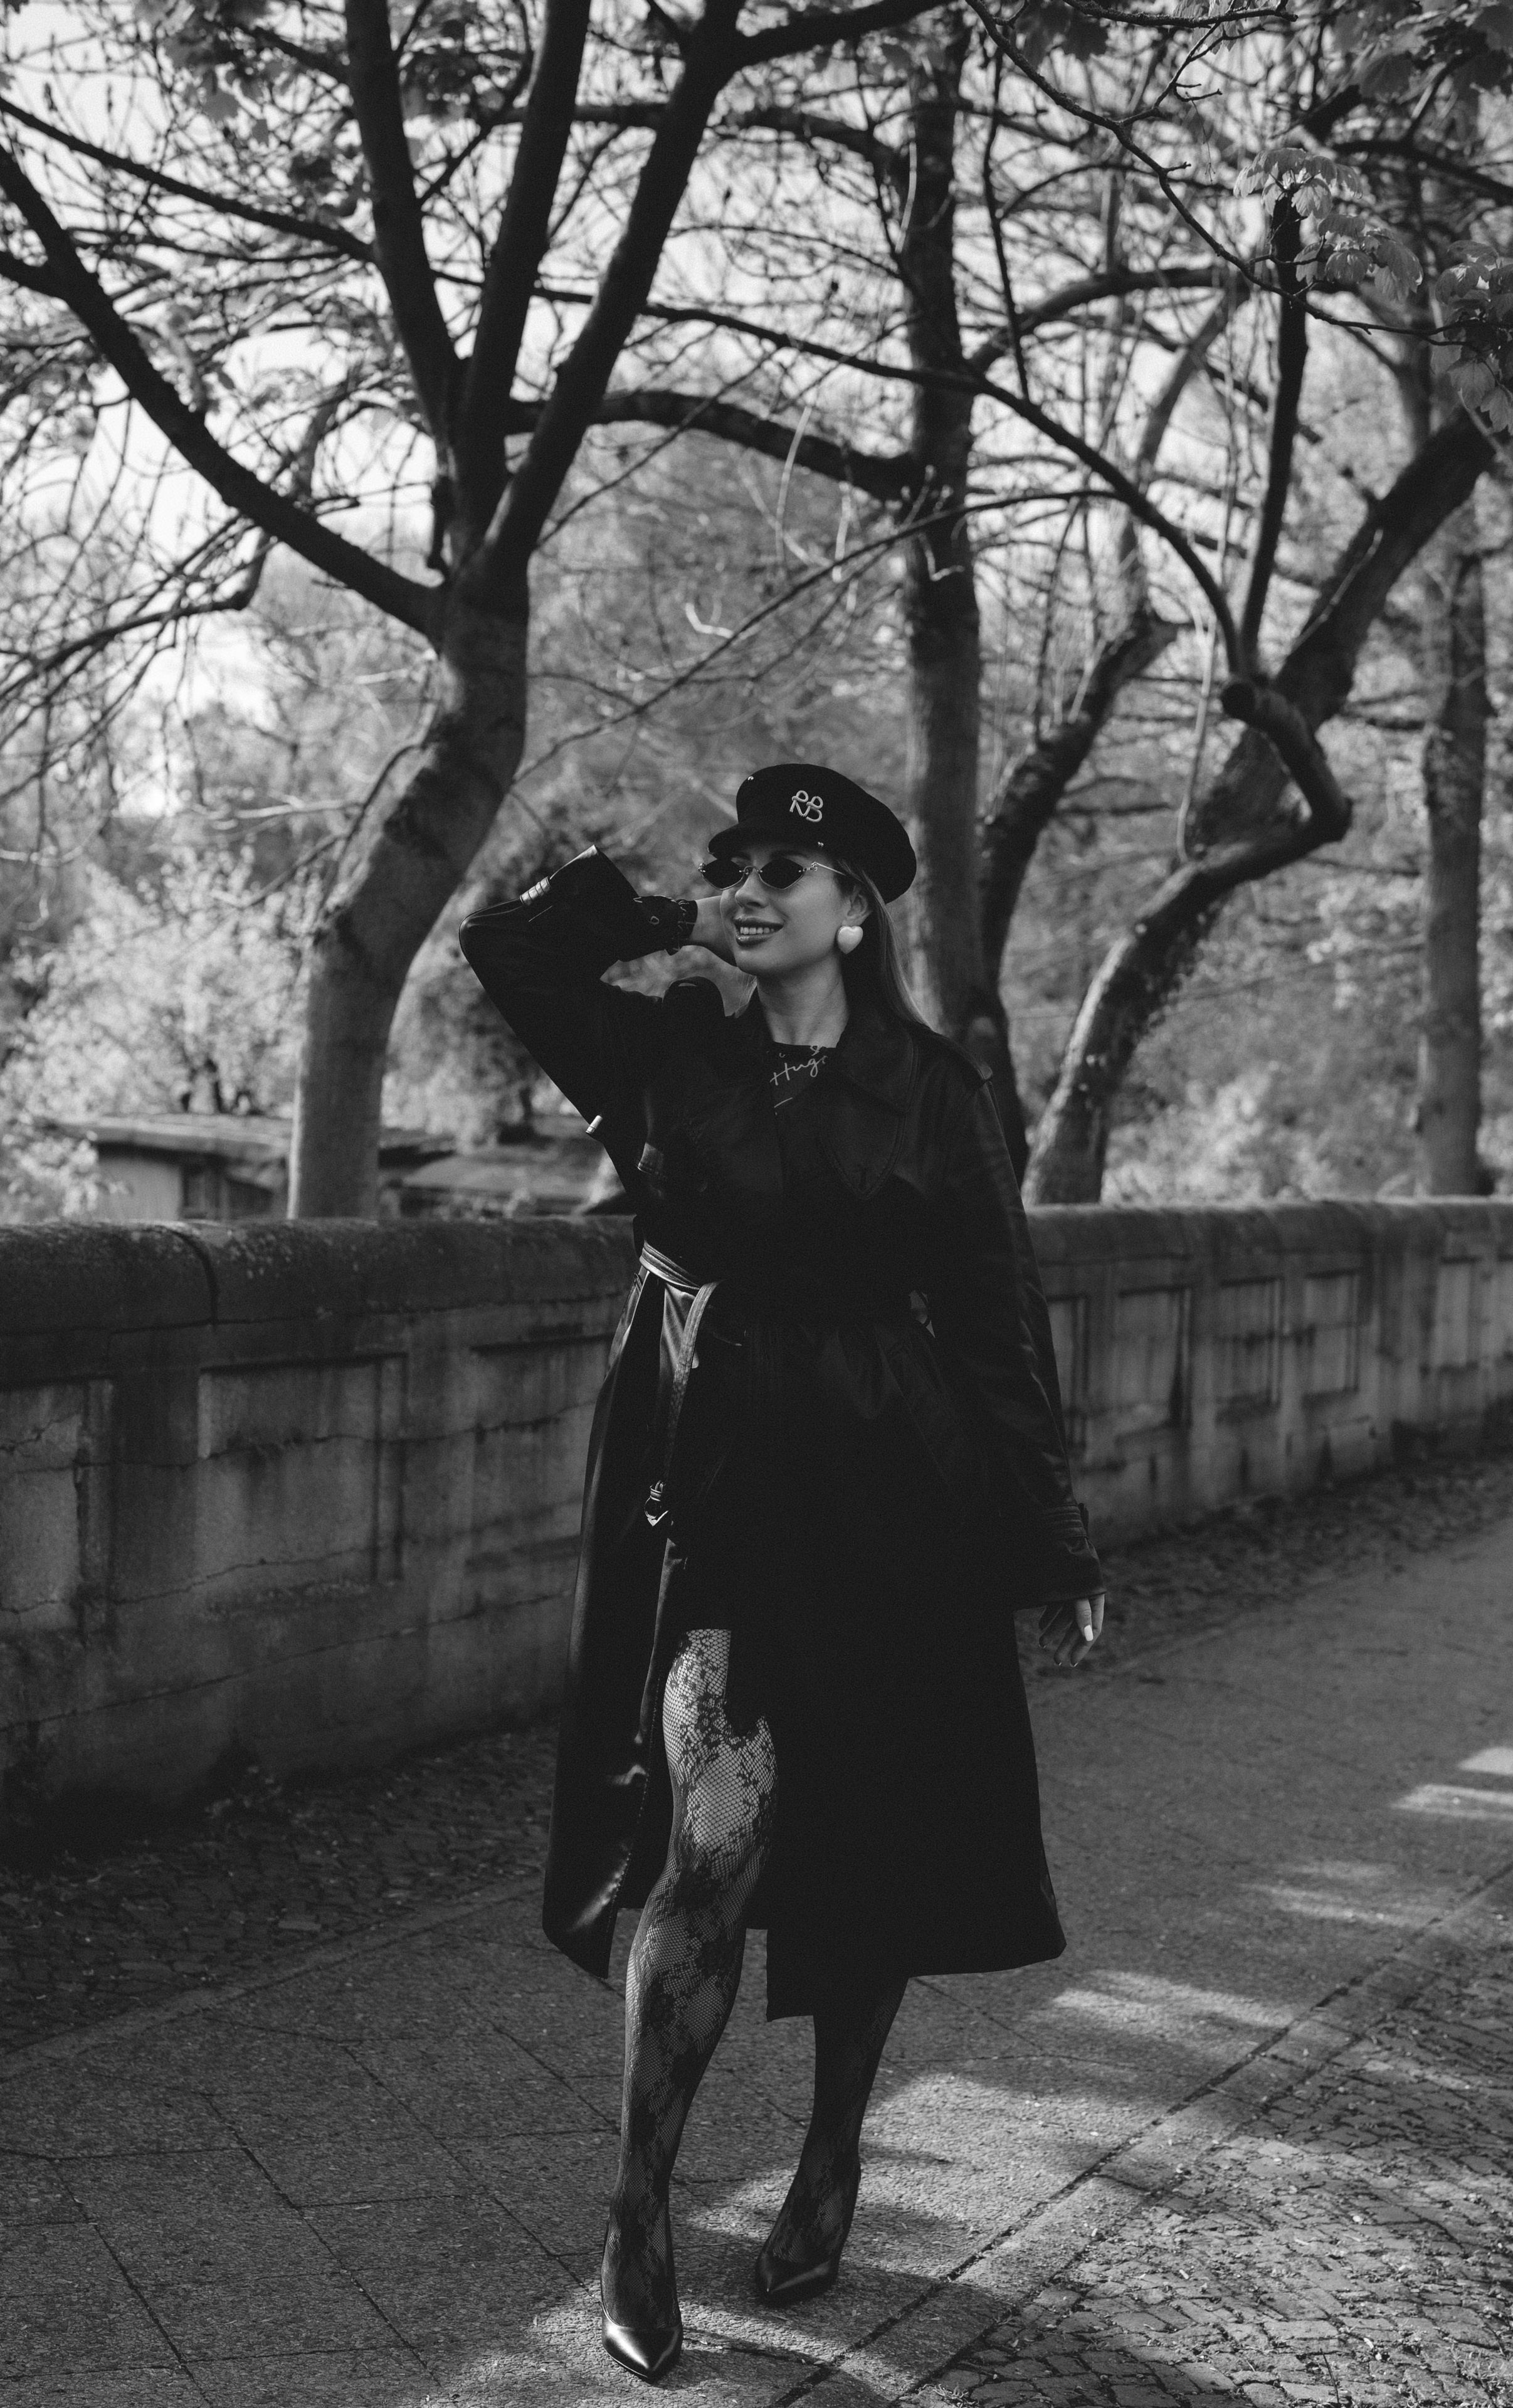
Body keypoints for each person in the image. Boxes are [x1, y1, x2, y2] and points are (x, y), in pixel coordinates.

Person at [459, 763, 1105, 2385]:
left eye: (781, 875)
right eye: (729, 867)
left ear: (858, 909)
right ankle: (639, 2213)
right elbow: (508, 956)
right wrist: (666, 918)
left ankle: (830, 2157)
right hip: (719, 1499)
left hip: (898, 1498)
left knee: (872, 1840)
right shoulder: (665, 1051)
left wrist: (1053, 1537)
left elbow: (997, 1319)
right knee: (710, 1847)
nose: (749, 888)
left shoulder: (936, 1091)